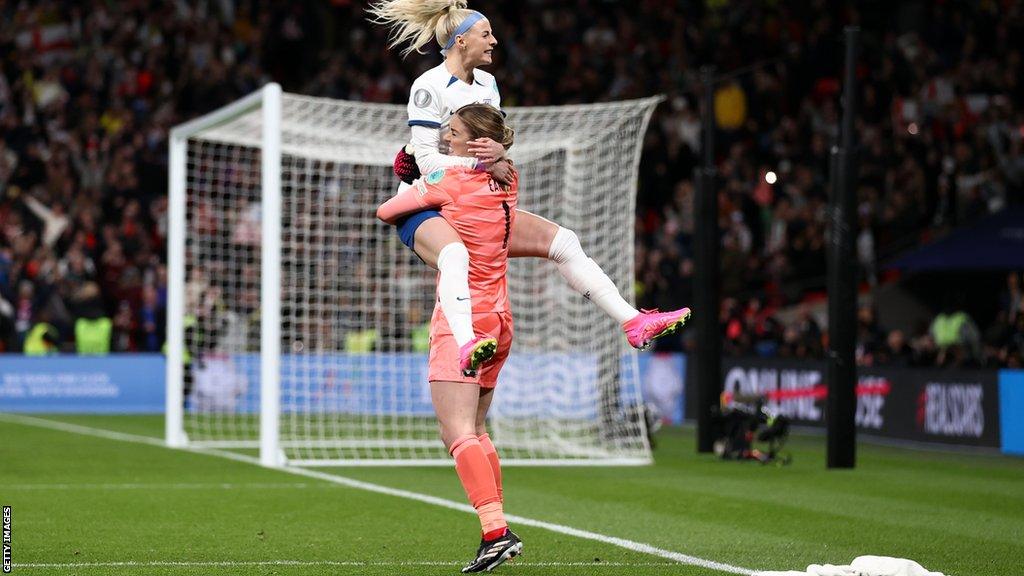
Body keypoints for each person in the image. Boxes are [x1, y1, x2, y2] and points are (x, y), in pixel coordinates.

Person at [369, 0, 691, 374]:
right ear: (460, 41)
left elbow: (496, 141)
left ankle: (632, 321)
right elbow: (424, 161)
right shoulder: (428, 87)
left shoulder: (488, 84)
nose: (494, 41)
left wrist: (500, 151)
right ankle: (465, 342)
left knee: (564, 242)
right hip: (425, 204)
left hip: (473, 201)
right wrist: (483, 161)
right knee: (454, 256)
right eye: (485, 34)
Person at [377, 104, 522, 573]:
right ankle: (500, 528)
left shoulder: (450, 183)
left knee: (456, 433)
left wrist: (411, 182)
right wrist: (489, 157)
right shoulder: (509, 179)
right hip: (499, 317)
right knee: (477, 429)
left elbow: (387, 212)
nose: (445, 139)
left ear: (475, 143)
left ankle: (496, 532)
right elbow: (496, 162)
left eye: (454, 133)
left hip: (464, 319)